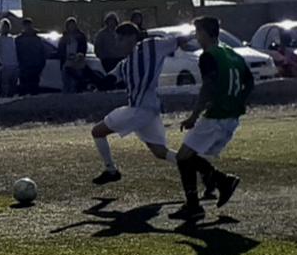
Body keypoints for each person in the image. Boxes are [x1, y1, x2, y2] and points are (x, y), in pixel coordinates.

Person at [170, 16, 252, 222]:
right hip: (231, 116)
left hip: (216, 116)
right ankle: (210, 190)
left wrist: (193, 116)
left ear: (205, 33)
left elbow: (208, 87)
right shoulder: (232, 53)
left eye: (198, 32)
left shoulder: (208, 56)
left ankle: (213, 188)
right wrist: (237, 101)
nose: (196, 37)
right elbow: (249, 82)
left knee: (183, 157)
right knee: (188, 157)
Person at [90, 23, 183, 184]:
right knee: (160, 152)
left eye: (119, 39)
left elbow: (178, 40)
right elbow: (105, 83)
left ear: (131, 38)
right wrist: (84, 70)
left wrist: (201, 35)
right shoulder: (125, 64)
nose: (117, 44)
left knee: (97, 131)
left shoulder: (150, 46)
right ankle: (207, 172)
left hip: (138, 110)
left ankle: (111, 170)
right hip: (148, 111)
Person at [15, 18, 47, 96]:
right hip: (24, 69)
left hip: (35, 68)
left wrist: (41, 66)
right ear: (23, 27)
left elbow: (42, 53)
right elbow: (16, 54)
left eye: (29, 25)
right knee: (23, 91)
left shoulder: (37, 39)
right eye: (26, 26)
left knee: (34, 91)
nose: (28, 27)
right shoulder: (19, 40)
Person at [57, 17, 90, 93]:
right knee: (66, 81)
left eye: (73, 25)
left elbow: (83, 49)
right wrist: (64, 57)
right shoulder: (63, 38)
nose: (71, 27)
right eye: (70, 25)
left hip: (77, 62)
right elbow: (60, 50)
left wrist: (79, 56)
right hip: (66, 62)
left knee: (75, 82)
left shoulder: (81, 37)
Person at [0, 18, 19, 97]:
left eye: (7, 26)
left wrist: (17, 64)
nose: (6, 28)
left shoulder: (12, 38)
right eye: (4, 26)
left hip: (14, 66)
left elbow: (15, 51)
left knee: (13, 87)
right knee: (4, 88)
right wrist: (1, 64)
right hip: (4, 67)